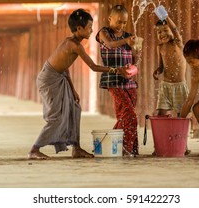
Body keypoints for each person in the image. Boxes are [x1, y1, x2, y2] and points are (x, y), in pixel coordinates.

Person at [28, 9, 130, 160]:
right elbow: (94, 67)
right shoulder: (73, 45)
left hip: (60, 76)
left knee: (75, 109)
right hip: (49, 79)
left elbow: (65, 68)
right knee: (55, 117)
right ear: (79, 29)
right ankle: (34, 149)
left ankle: (76, 148)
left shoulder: (74, 43)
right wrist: (116, 70)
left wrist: (72, 89)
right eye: (89, 27)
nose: (91, 30)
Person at [96, 5, 140, 157]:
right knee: (130, 116)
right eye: (119, 21)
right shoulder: (104, 32)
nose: (121, 25)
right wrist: (127, 40)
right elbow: (109, 44)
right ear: (110, 19)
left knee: (126, 116)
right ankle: (125, 149)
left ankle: (122, 146)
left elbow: (135, 59)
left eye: (124, 22)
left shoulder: (128, 36)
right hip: (113, 80)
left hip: (129, 81)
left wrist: (136, 49)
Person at [152, 16, 190, 155]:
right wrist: (157, 71)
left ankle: (183, 146)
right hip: (166, 86)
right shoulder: (160, 47)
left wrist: (166, 17)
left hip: (180, 86)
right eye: (159, 32)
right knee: (160, 114)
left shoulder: (178, 43)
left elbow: (176, 30)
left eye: (165, 30)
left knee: (181, 117)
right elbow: (161, 66)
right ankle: (160, 146)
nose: (162, 34)